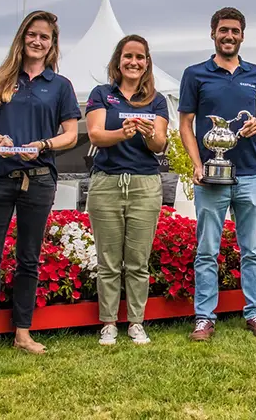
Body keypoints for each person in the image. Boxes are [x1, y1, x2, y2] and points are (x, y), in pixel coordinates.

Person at [0, 10, 80, 361]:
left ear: (52, 44)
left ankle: (23, 332)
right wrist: (0, 140)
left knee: (29, 258)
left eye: (45, 37)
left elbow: (70, 135)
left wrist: (44, 145)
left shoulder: (60, 86)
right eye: (32, 35)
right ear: (22, 38)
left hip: (38, 179)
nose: (38, 41)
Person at [178, 7, 256, 340]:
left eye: (235, 30)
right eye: (223, 30)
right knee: (207, 250)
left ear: (242, 35)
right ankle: (204, 318)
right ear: (213, 34)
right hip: (211, 176)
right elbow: (185, 124)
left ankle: (255, 313)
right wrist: (196, 163)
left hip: (250, 174)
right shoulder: (195, 74)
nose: (229, 36)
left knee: (253, 251)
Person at [85, 35, 169, 346]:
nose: (134, 62)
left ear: (147, 63)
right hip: (106, 182)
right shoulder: (101, 94)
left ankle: (136, 322)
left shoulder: (156, 100)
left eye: (140, 57)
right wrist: (123, 132)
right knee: (108, 260)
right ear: (118, 61)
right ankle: (108, 323)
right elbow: (95, 135)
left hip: (145, 184)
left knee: (137, 260)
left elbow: (159, 145)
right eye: (128, 56)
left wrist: (148, 135)